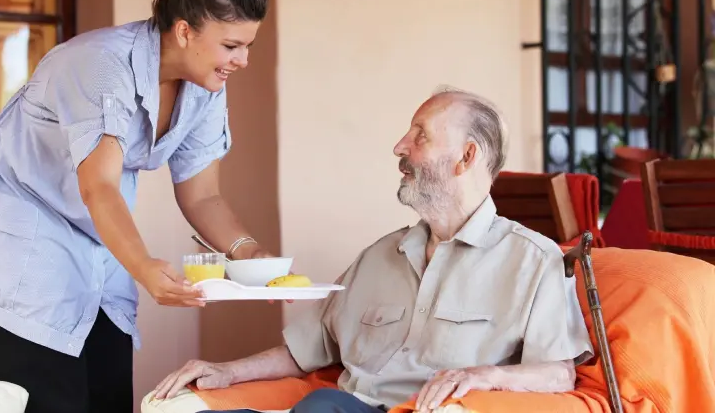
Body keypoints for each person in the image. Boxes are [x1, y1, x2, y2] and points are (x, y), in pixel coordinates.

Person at [0, 0, 275, 413]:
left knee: (108, 390)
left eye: (247, 46)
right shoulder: (100, 65)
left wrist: (250, 256)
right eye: (232, 45)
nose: (243, 60)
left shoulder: (205, 84)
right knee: (49, 398)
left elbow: (202, 196)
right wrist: (143, 267)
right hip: (27, 235)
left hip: (98, 233)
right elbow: (97, 185)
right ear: (185, 31)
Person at [151, 86, 594, 412]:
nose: (399, 147)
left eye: (420, 136)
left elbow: (558, 372)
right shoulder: (379, 256)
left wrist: (484, 377)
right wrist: (227, 372)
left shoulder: (534, 261)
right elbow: (306, 348)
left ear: (466, 157)